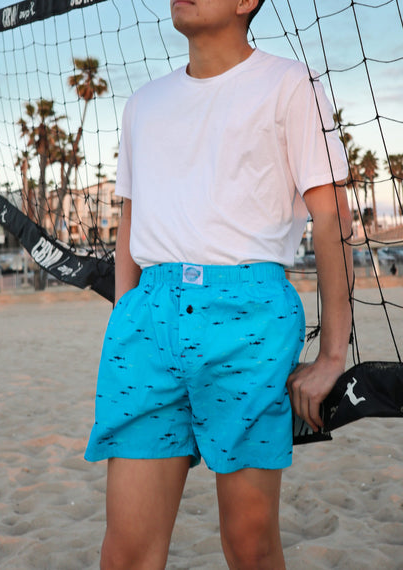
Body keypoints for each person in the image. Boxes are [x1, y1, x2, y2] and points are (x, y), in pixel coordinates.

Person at [85, 0, 353, 568]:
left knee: (250, 545)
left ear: (245, 2)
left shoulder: (289, 83)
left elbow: (332, 220)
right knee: (126, 550)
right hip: (147, 323)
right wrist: (125, 313)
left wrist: (333, 353)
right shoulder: (143, 103)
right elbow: (132, 216)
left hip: (249, 319)